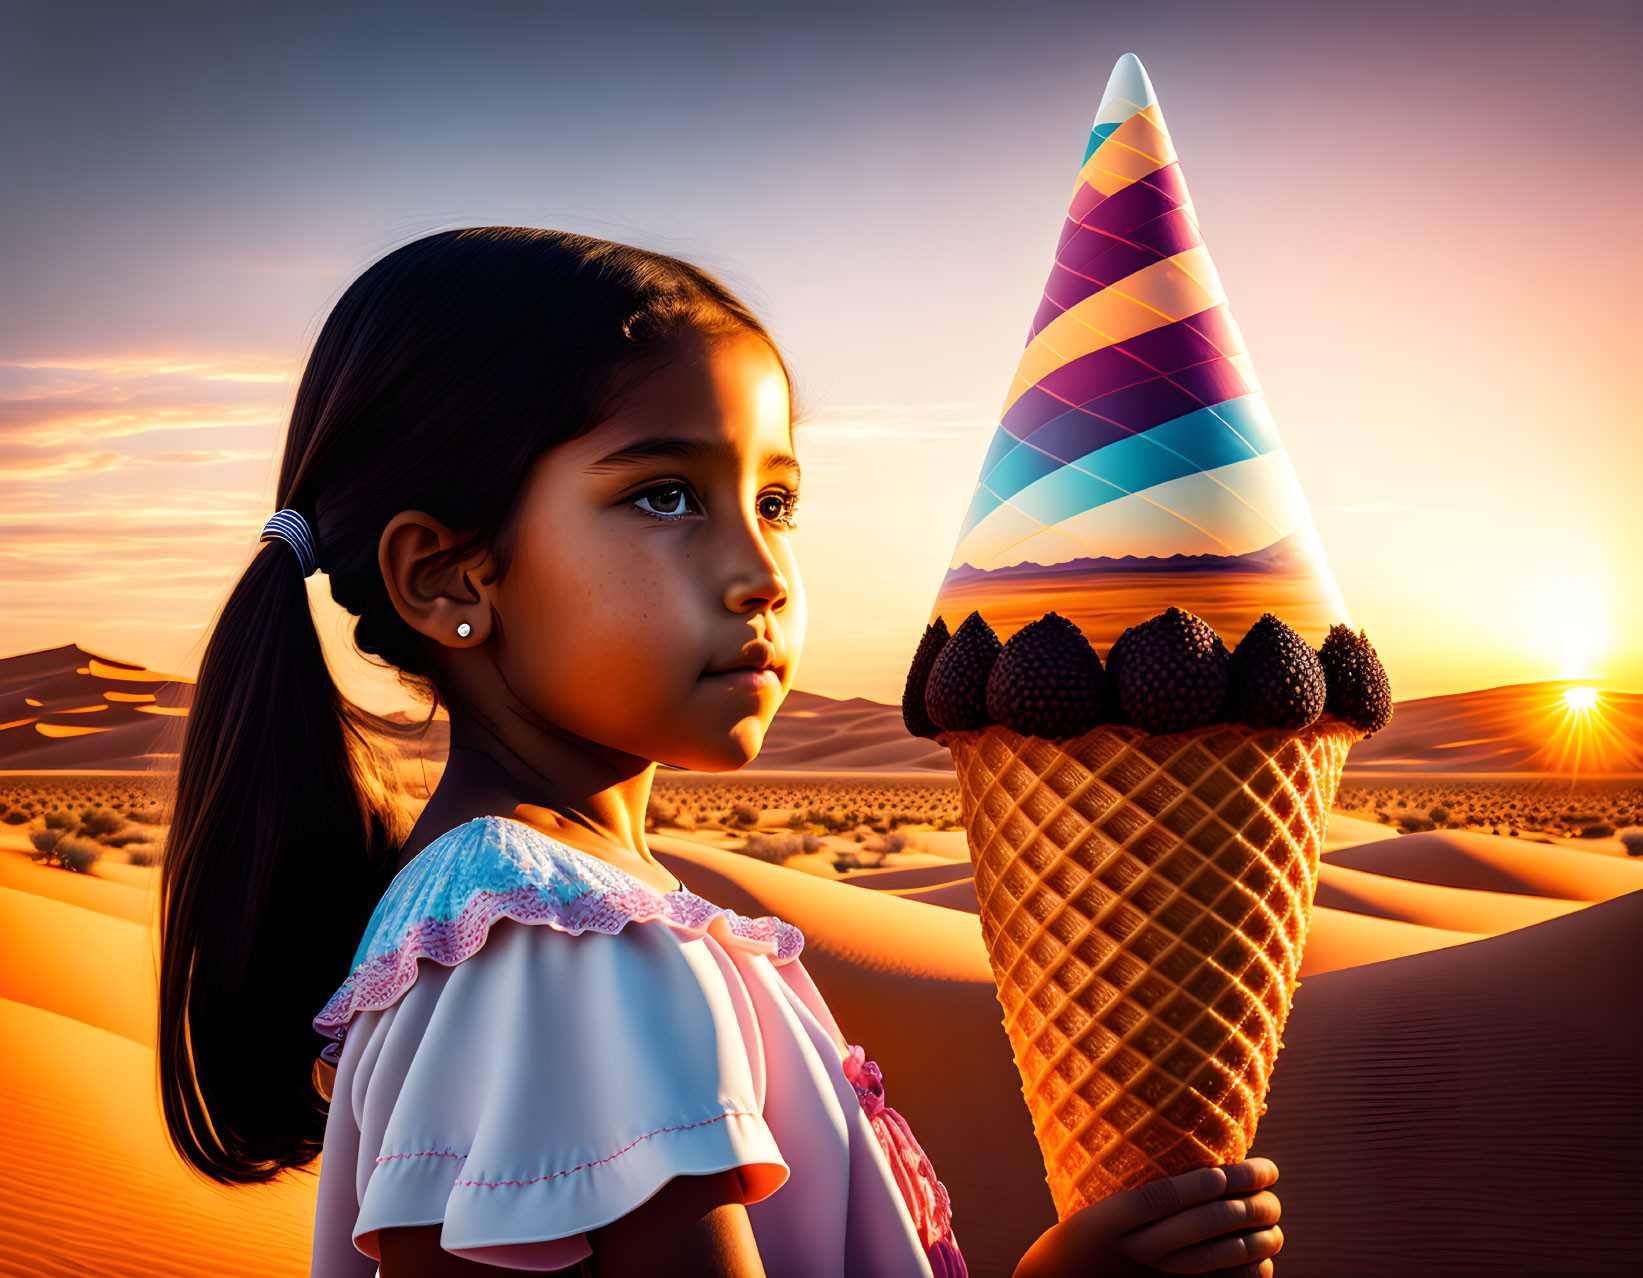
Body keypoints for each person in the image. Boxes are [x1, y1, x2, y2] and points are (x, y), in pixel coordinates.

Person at [154, 226, 1285, 1278]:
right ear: (448, 577)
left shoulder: (518, 919)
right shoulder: (562, 952)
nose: (763, 573)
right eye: (663, 496)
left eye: (777, 500)